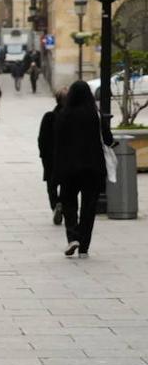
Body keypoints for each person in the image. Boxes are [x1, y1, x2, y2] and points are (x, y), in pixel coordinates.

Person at [53, 81, 111, 258]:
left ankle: (73, 237)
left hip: (69, 169)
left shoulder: (64, 115)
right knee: (89, 207)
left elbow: (57, 144)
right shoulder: (96, 116)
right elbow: (107, 139)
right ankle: (84, 246)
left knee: (69, 204)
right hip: (92, 169)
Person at [38, 90, 66, 225]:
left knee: (52, 185)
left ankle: (55, 205)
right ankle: (63, 204)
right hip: (68, 158)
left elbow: (41, 139)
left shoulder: (49, 117)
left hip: (51, 158)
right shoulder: (71, 116)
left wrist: (43, 155)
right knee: (67, 185)